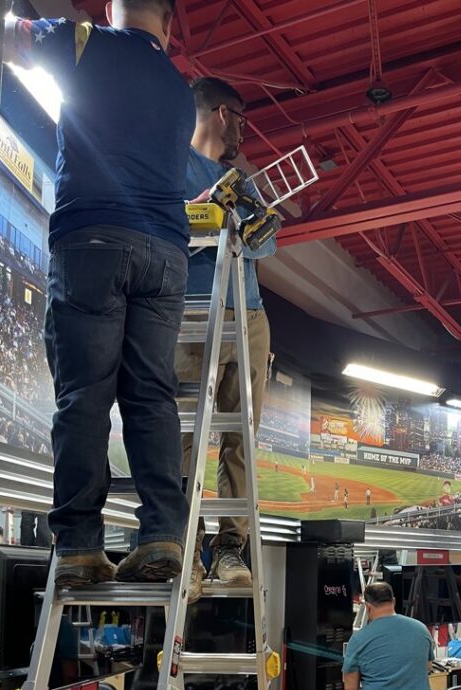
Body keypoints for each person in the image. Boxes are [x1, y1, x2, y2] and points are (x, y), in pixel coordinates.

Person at [4, 0, 194, 588]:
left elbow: (6, 34)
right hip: (166, 252)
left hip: (92, 239)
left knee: (85, 396)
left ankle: (81, 546)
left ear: (115, 7)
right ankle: (162, 535)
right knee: (152, 397)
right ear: (168, 21)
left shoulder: (83, 41)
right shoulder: (180, 88)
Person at [177, 77, 276, 601]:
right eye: (240, 116)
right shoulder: (170, 164)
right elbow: (167, 231)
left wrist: (253, 224)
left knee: (242, 436)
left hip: (250, 314)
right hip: (193, 314)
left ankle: (230, 549)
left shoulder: (244, 179)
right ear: (220, 113)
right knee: (188, 437)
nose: (242, 127)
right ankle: (186, 551)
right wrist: (205, 214)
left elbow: (268, 245)